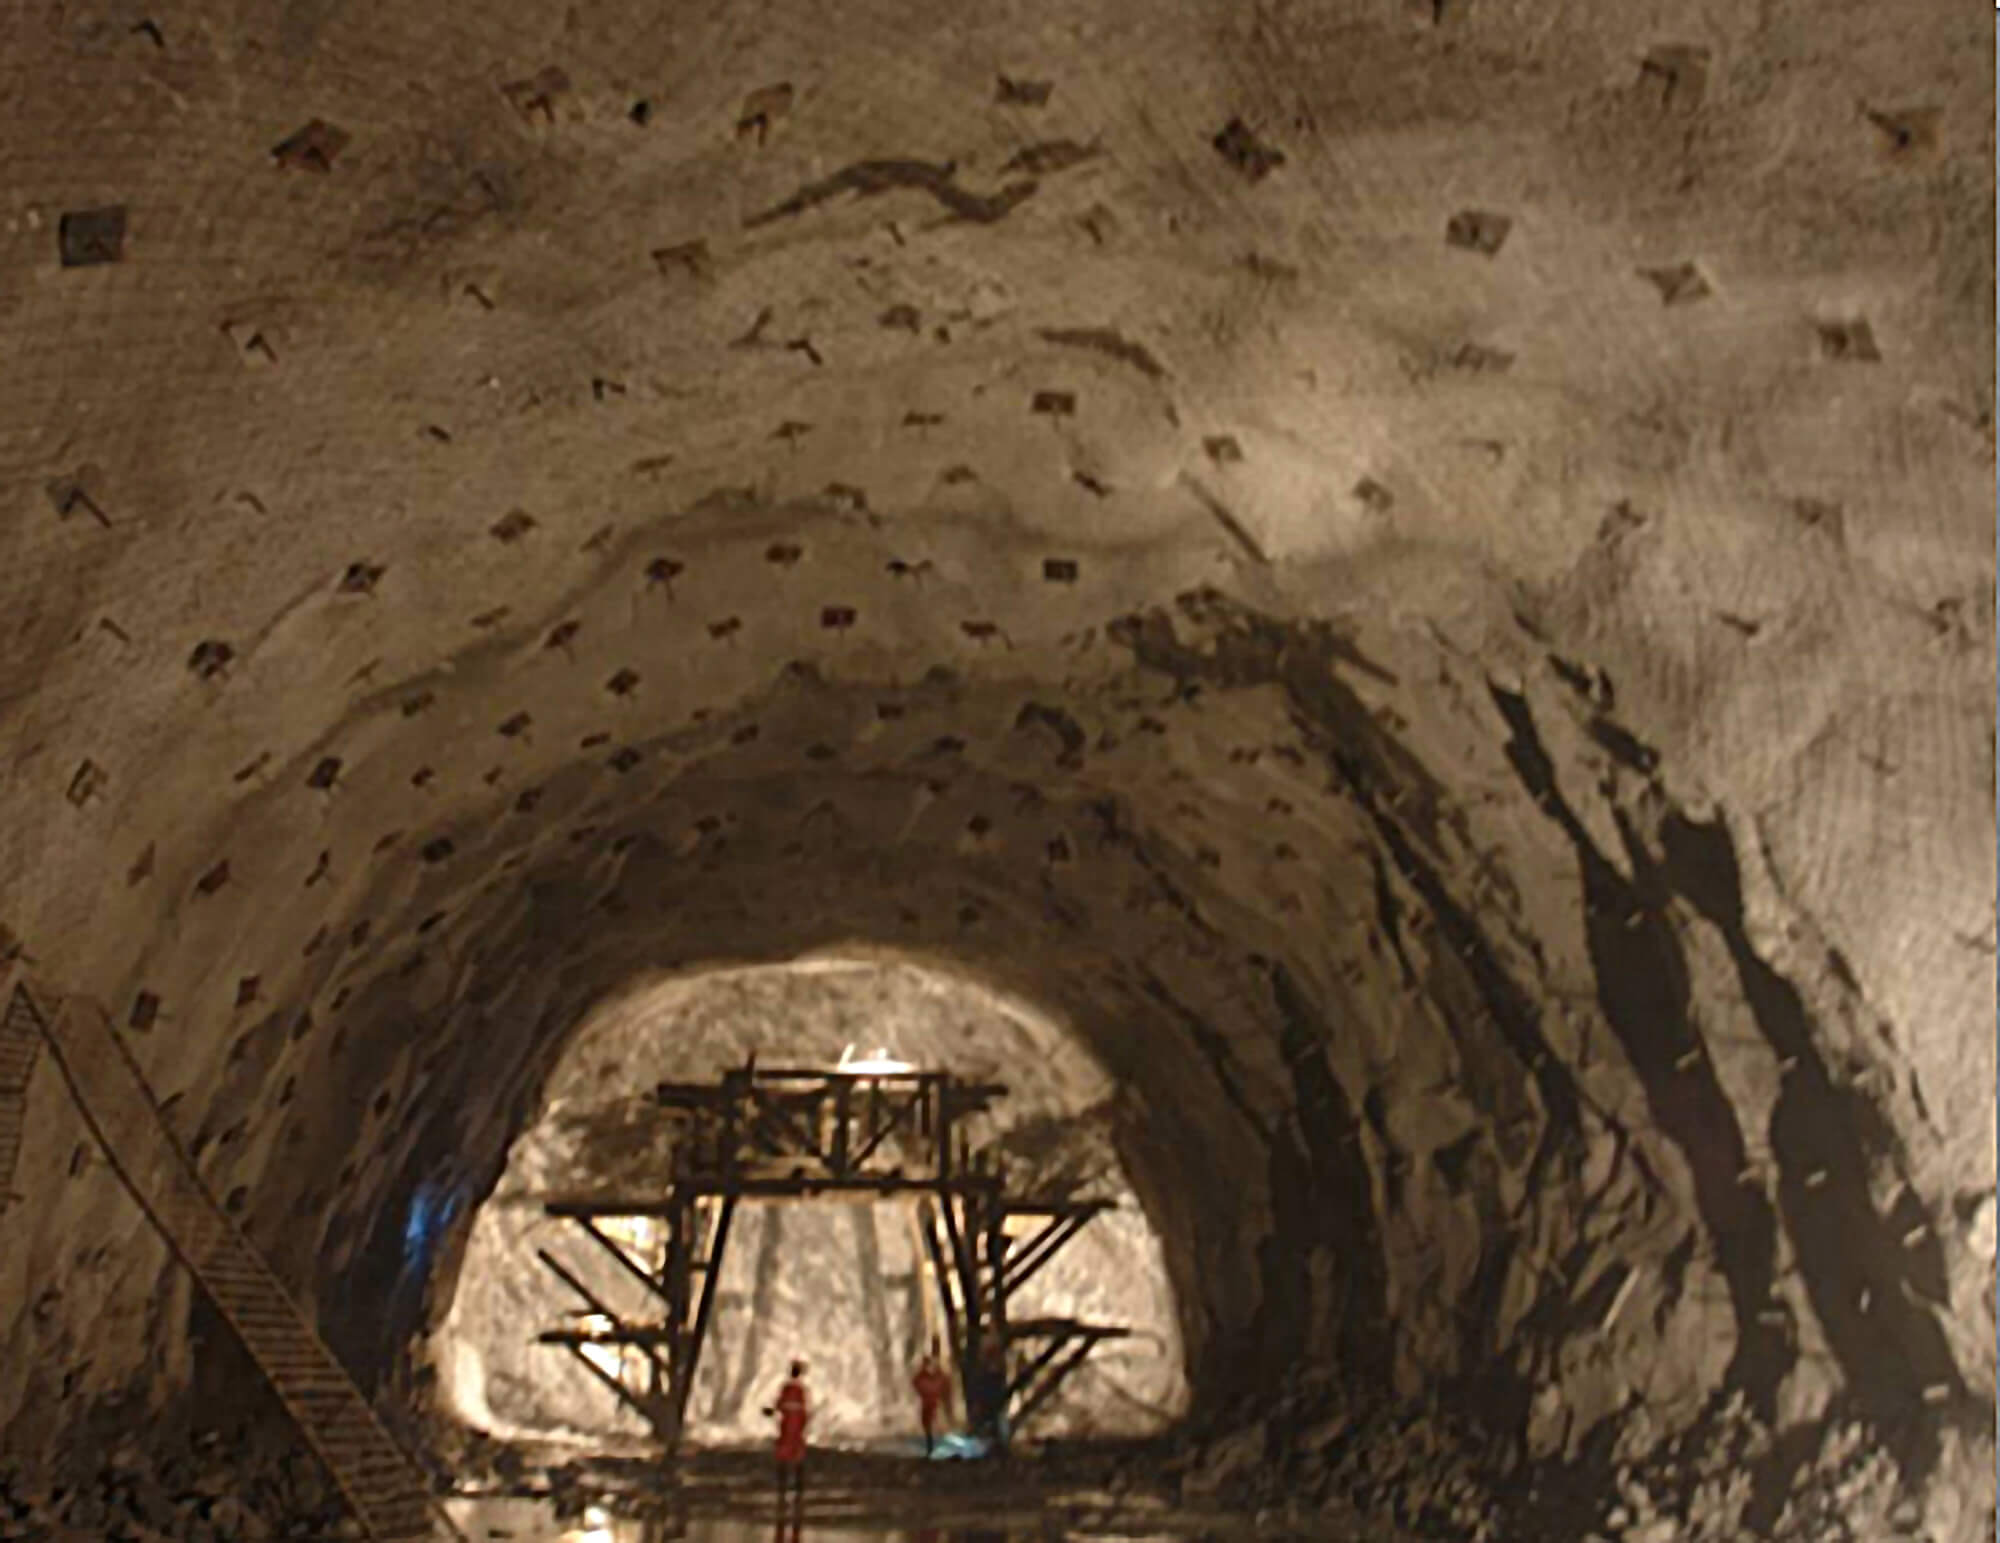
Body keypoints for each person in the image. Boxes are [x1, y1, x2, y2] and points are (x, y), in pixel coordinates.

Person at [763, 1359, 810, 1520]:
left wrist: (770, 1411)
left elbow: (778, 1406)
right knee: (797, 1458)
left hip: (787, 1427)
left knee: (783, 1458)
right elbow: (804, 1411)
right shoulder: (801, 1389)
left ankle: (784, 1490)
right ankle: (797, 1490)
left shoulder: (787, 1388)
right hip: (795, 1428)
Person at [911, 1340, 952, 1454]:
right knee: (928, 1423)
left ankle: (935, 1445)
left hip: (931, 1401)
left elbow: (916, 1383)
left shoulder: (932, 1375)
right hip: (930, 1401)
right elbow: (916, 1383)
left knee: (930, 1423)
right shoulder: (927, 1376)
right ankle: (932, 1445)